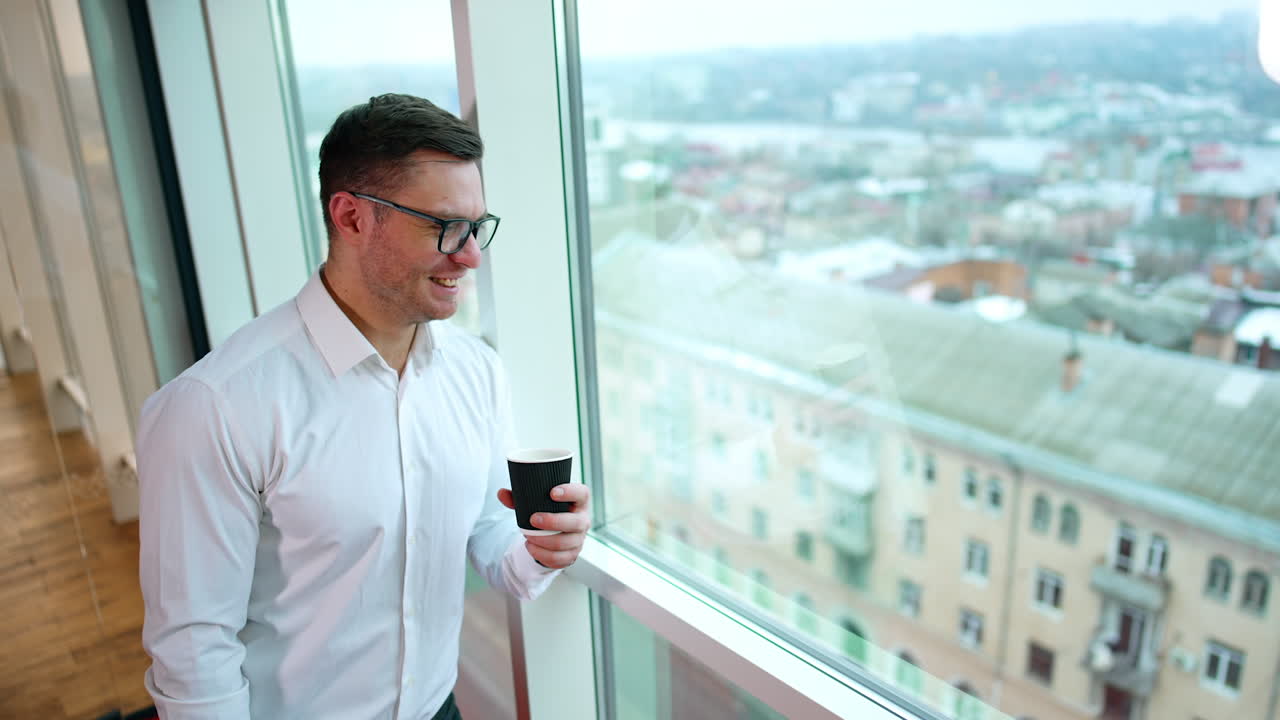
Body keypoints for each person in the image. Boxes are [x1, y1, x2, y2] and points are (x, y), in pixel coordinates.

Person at [136, 93, 590, 720]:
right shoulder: (213, 406)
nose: (472, 256)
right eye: (444, 227)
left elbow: (489, 537)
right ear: (351, 216)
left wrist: (541, 548)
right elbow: (192, 651)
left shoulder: (477, 372)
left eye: (477, 227)